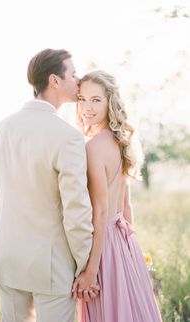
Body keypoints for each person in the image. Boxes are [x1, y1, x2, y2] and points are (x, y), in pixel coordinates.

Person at [0, 48, 96, 322]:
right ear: (54, 81)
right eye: (72, 73)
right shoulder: (68, 137)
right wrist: (85, 263)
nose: (78, 79)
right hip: (51, 265)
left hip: (7, 256)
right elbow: (76, 209)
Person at [72, 70, 163, 322]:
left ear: (110, 101)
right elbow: (126, 206)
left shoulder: (92, 147)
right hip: (125, 242)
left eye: (96, 100)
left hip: (104, 245)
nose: (86, 107)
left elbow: (100, 213)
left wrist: (91, 271)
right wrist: (131, 254)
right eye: (82, 99)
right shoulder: (121, 142)